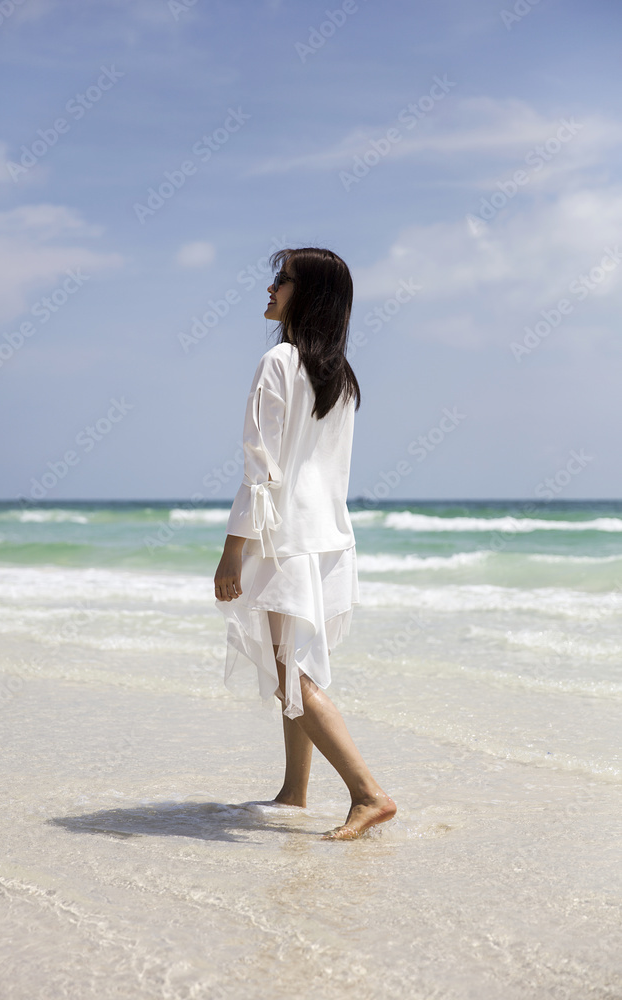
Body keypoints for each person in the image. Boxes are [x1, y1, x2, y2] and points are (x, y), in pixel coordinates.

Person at [214, 247, 396, 840]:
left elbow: (259, 472)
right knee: (296, 665)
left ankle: (368, 794)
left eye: (282, 279)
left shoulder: (278, 362)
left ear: (309, 293)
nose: (270, 288)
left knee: (296, 671)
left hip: (287, 540)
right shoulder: (341, 377)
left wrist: (231, 550)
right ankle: (295, 790)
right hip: (330, 540)